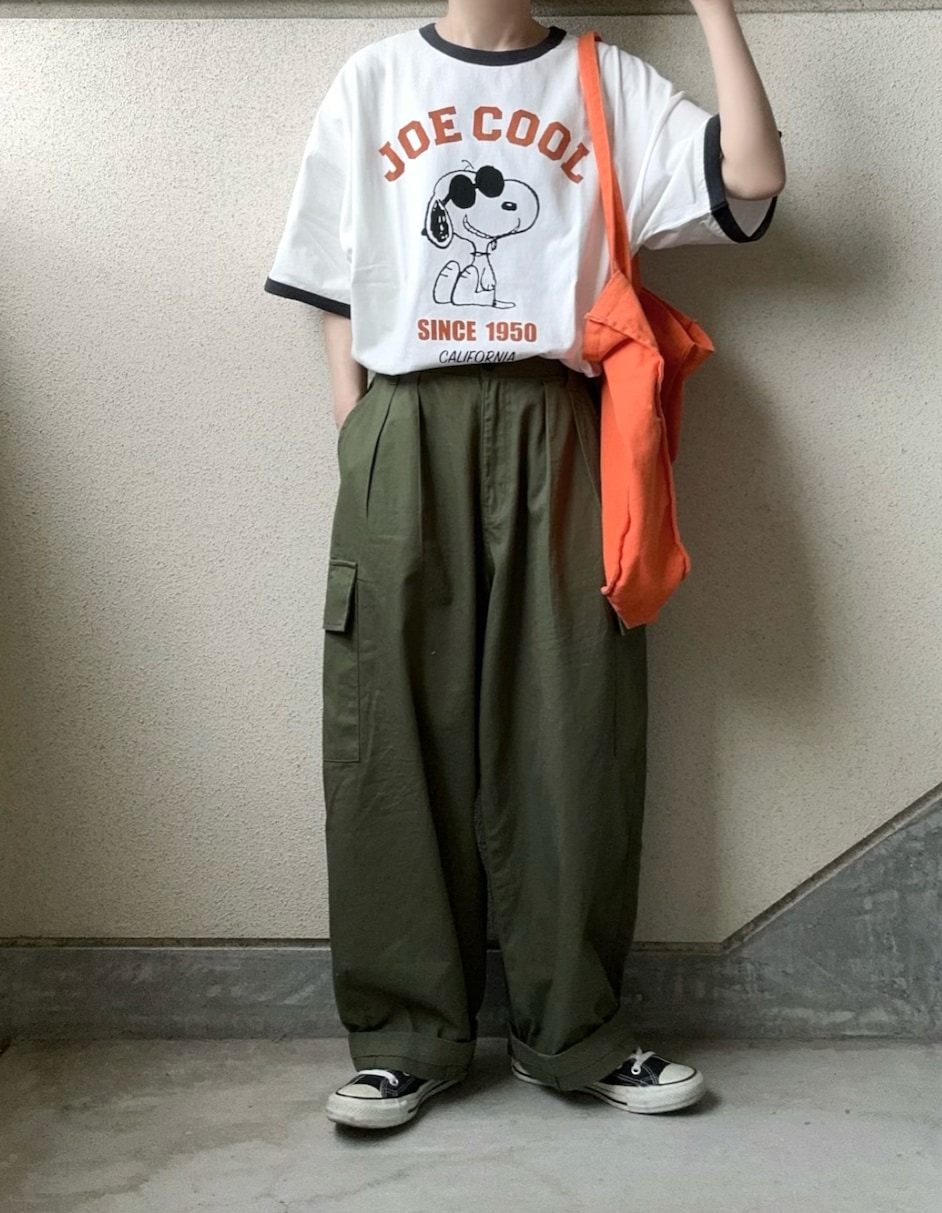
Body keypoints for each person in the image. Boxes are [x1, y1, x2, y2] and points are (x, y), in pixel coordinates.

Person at [264, 0, 785, 1130]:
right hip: (409, 422)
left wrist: (712, 4)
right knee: (390, 725)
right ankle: (405, 1036)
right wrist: (358, 428)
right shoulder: (375, 80)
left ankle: (577, 1029)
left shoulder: (605, 79)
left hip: (562, 423)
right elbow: (330, 274)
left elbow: (750, 178)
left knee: (574, 723)